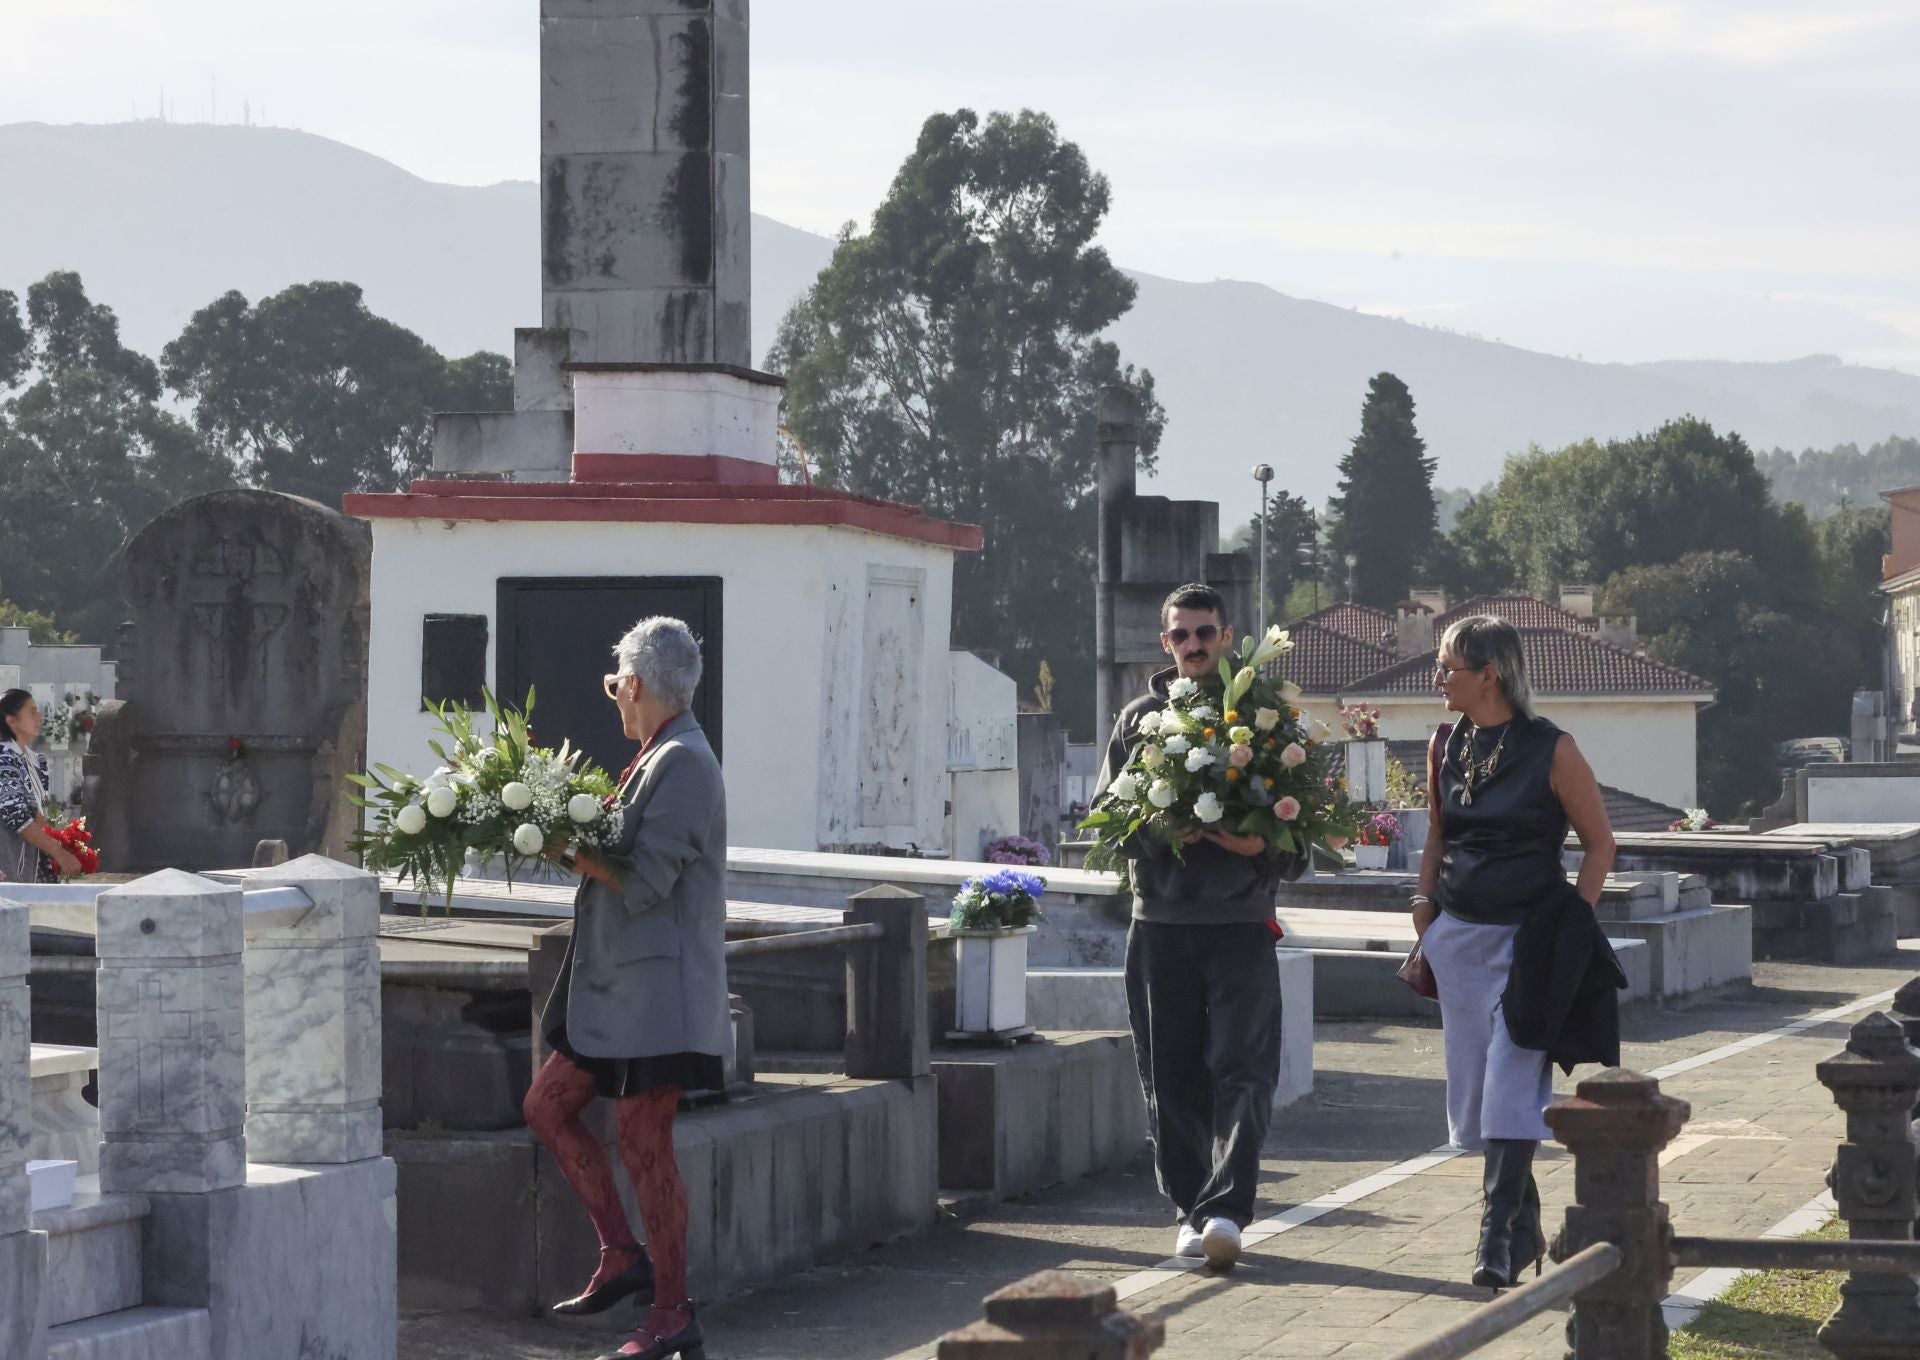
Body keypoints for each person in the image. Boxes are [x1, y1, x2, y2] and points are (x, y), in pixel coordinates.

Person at [521, 618, 728, 1360]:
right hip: (618, 990)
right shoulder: (657, 756)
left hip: (660, 998)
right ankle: (620, 1253)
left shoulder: (686, 763)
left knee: (645, 1143)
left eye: (616, 686)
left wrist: (563, 848)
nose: (614, 698)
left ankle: (673, 1311)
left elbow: (645, 881)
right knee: (546, 1104)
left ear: (635, 685)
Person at [1096, 583, 1303, 1269]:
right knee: (1172, 1073)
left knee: (1245, 1073)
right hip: (1161, 924)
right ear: (1165, 644)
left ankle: (1230, 1210)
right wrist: (1168, 829)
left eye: (1205, 632)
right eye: (1181, 635)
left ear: (1227, 634)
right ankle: (1189, 1208)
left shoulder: (1267, 718)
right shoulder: (1138, 721)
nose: (1194, 645)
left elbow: (1302, 836)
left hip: (1243, 923)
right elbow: (1108, 826)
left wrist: (1258, 846)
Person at [1411, 615, 1619, 1290]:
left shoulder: (1552, 748)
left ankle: (1494, 1238)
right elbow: (1439, 836)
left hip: (1533, 940)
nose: (1437, 679)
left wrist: (1573, 922)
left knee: (1510, 1082)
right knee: (1474, 1101)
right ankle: (1525, 1221)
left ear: (1489, 674)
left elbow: (1600, 844)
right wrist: (1424, 910)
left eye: (1447, 667)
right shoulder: (1446, 742)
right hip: (1460, 935)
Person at [0, 689, 81, 884]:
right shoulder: (4, 761)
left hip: (28, 868)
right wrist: (58, 852)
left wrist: (63, 842)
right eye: (32, 712)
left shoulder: (35, 762)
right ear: (11, 721)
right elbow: (18, 817)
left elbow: (35, 817)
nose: (39, 717)